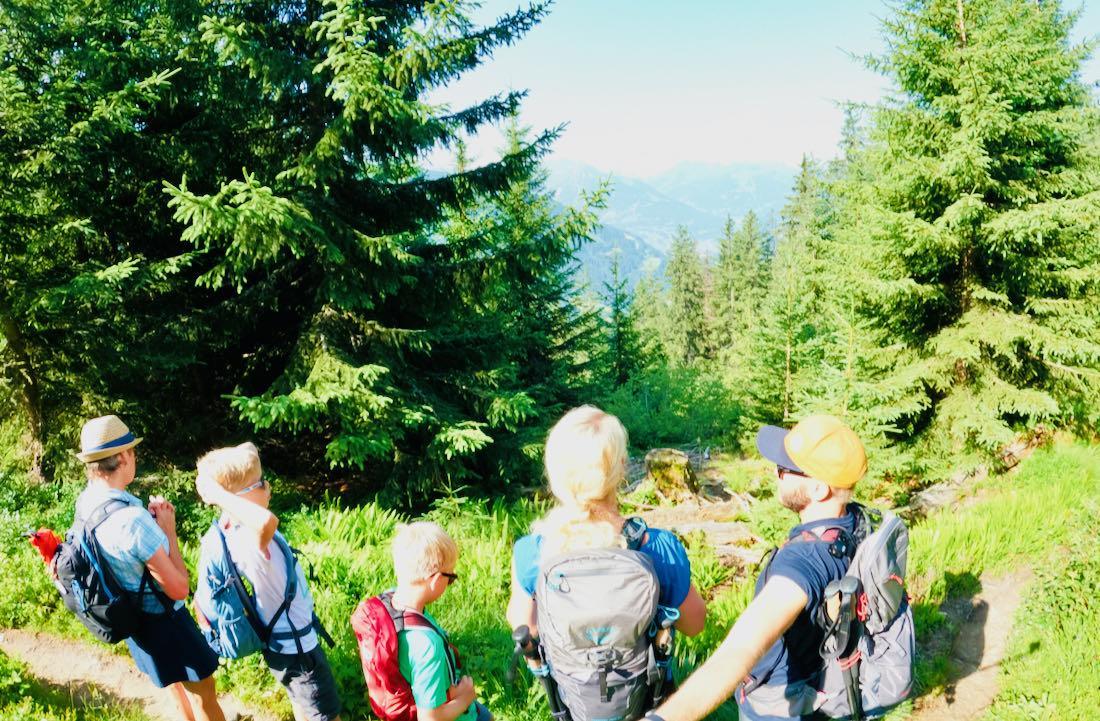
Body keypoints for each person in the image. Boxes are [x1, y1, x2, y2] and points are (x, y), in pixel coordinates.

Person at [641, 414, 869, 721]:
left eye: (785, 469)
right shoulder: (855, 525)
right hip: (818, 681)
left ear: (818, 490)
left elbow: (738, 652)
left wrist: (661, 718)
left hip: (778, 704)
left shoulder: (801, 565)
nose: (776, 472)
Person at [506, 403, 707, 646]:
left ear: (555, 470)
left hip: (565, 673)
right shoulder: (660, 548)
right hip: (644, 672)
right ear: (621, 468)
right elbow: (695, 624)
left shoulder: (532, 552)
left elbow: (526, 628)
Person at [72, 415, 225, 721]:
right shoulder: (132, 521)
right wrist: (168, 530)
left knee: (172, 683)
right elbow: (179, 588)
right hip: (165, 620)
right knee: (204, 691)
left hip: (132, 619)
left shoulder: (86, 503)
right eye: (132, 451)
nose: (135, 457)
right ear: (123, 457)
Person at [194, 442, 343, 721]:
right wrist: (218, 494)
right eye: (261, 483)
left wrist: (226, 481)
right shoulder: (248, 536)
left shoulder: (227, 526)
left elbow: (248, 449)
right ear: (237, 499)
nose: (269, 486)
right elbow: (266, 521)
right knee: (325, 716)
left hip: (279, 644)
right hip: (298, 649)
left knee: (301, 704)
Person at [387, 521, 491, 721]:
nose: (450, 582)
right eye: (450, 578)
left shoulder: (392, 605)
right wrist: (465, 698)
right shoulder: (427, 646)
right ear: (435, 580)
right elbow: (430, 718)